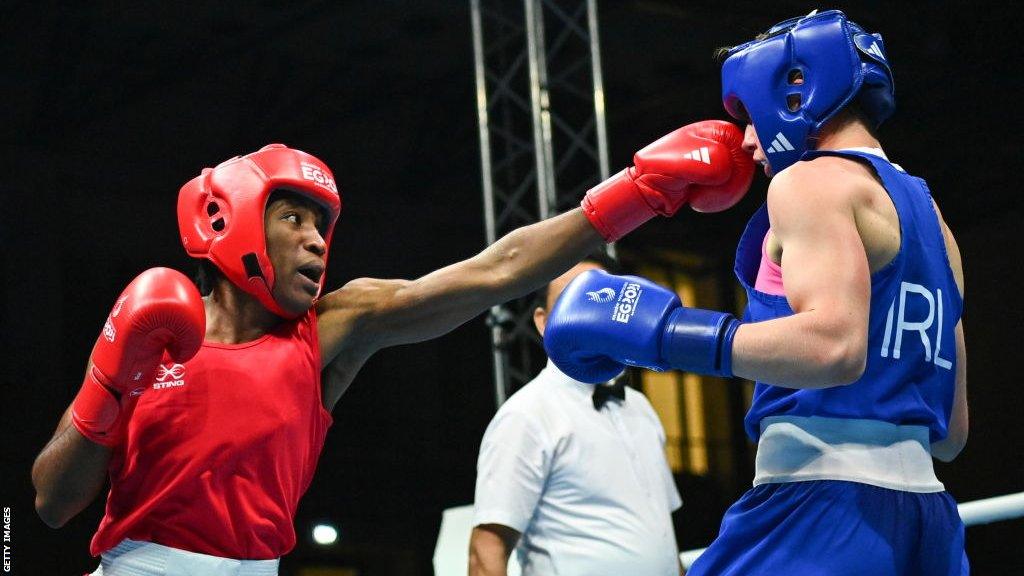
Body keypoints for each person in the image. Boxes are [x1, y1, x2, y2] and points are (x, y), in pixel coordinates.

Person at [32, 122, 752, 575]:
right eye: (294, 219)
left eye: (323, 224)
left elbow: (495, 270)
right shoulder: (149, 339)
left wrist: (641, 191)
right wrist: (109, 378)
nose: (318, 240)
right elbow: (51, 504)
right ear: (230, 220)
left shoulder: (331, 331)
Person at [543, 10, 968, 576]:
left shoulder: (809, 183)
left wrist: (667, 335)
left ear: (797, 92)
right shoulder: (935, 223)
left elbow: (835, 348)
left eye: (747, 116)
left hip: (819, 508)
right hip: (928, 523)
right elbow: (952, 433)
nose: (745, 140)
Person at [469, 252, 684, 576]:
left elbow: (661, 538)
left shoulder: (639, 407)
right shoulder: (526, 415)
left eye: (600, 300)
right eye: (573, 299)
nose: (588, 312)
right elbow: (486, 553)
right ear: (543, 322)